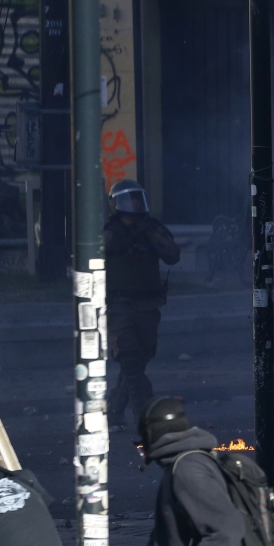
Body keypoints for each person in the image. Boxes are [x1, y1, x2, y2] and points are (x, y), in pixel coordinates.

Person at [128, 397, 270, 546]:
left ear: (153, 436)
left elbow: (227, 530)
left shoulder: (188, 469)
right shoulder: (178, 466)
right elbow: (168, 527)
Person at [104, 179, 180, 426]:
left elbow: (173, 255)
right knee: (129, 358)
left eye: (137, 198)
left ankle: (114, 411)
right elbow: (88, 260)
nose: (134, 203)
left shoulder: (152, 228)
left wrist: (150, 234)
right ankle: (143, 415)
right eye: (129, 199)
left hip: (148, 305)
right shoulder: (109, 232)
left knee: (140, 358)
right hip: (119, 304)